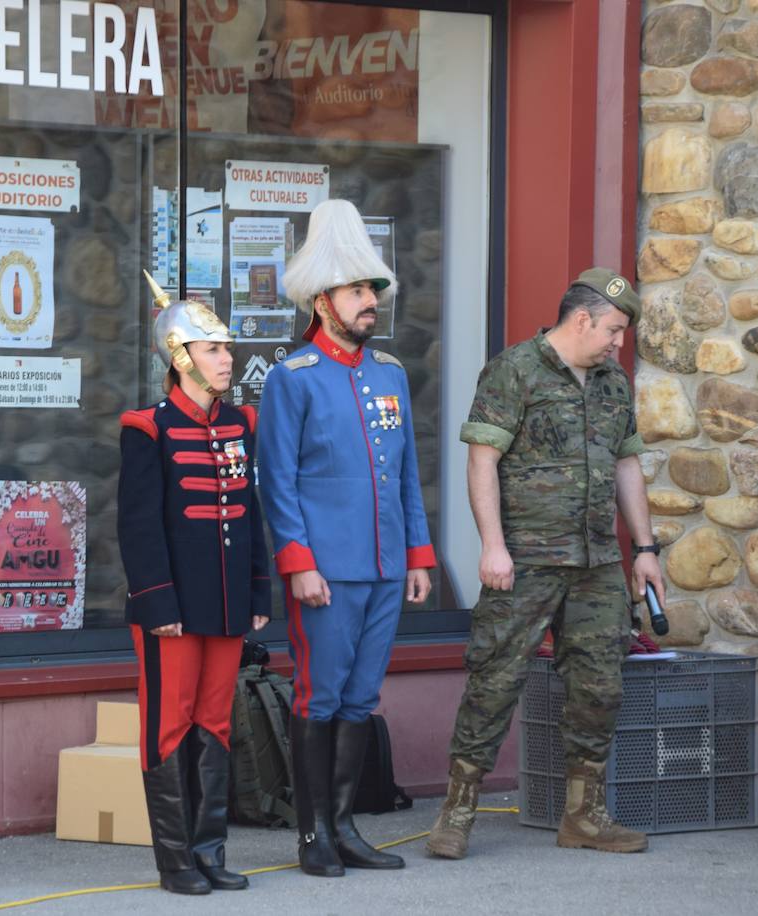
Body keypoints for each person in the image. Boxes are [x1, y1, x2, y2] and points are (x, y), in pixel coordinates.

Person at [426, 268, 660, 859]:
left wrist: (646, 549)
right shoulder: (514, 370)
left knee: (599, 686)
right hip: (525, 559)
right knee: (495, 681)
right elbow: (482, 462)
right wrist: (492, 545)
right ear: (581, 320)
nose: (617, 343)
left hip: (597, 563)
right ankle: (456, 814)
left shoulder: (613, 381)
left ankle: (584, 816)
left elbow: (627, 464)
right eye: (613, 330)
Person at [259, 198, 435, 878]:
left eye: (373, 289)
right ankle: (312, 836)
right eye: (359, 290)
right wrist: (298, 564)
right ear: (324, 301)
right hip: (326, 573)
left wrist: (418, 553)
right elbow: (277, 482)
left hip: (387, 567)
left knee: (362, 698)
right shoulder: (293, 377)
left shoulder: (390, 374)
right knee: (320, 697)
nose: (371, 301)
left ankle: (344, 824)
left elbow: (407, 475)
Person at [116, 272, 272, 895]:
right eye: (214, 349)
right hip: (172, 607)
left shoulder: (241, 424)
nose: (227, 358)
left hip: (230, 602)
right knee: (169, 725)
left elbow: (251, 513)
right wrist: (157, 602)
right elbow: (138, 526)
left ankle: (209, 851)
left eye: (227, 348)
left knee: (216, 722)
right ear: (180, 358)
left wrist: (260, 592)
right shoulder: (146, 426)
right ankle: (175, 860)